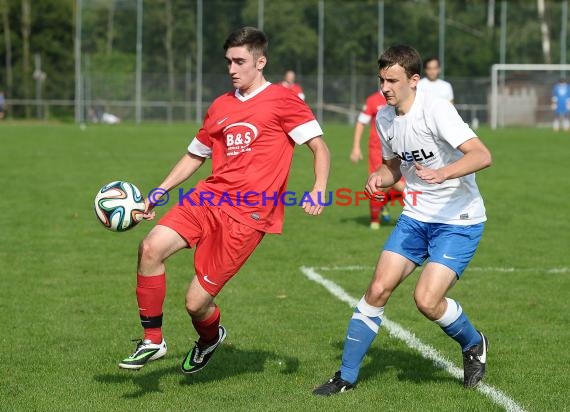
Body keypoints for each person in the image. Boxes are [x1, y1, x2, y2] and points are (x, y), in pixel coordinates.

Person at [118, 27, 330, 373]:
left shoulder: (284, 99)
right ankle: (152, 340)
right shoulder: (220, 105)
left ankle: (209, 339)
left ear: (260, 62)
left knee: (195, 304)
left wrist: (319, 187)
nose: (232, 68)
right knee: (150, 248)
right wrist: (158, 192)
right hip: (207, 198)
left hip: (247, 216)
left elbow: (319, 147)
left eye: (240, 61)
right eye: (228, 61)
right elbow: (195, 155)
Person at [313, 45, 492, 395]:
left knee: (426, 301)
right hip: (416, 217)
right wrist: (378, 178)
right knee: (377, 289)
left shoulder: (436, 110)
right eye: (381, 80)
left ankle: (474, 344)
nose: (385, 87)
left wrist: (443, 173)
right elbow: (394, 166)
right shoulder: (384, 117)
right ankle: (346, 376)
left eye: (392, 80)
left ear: (414, 80)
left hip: (459, 220)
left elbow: (482, 155)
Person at [350, 89, 405, 229]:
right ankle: (374, 221)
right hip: (376, 149)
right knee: (379, 183)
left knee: (403, 185)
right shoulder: (372, 100)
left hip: (399, 148)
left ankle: (386, 203)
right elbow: (361, 122)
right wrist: (356, 147)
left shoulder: (401, 98)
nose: (387, 85)